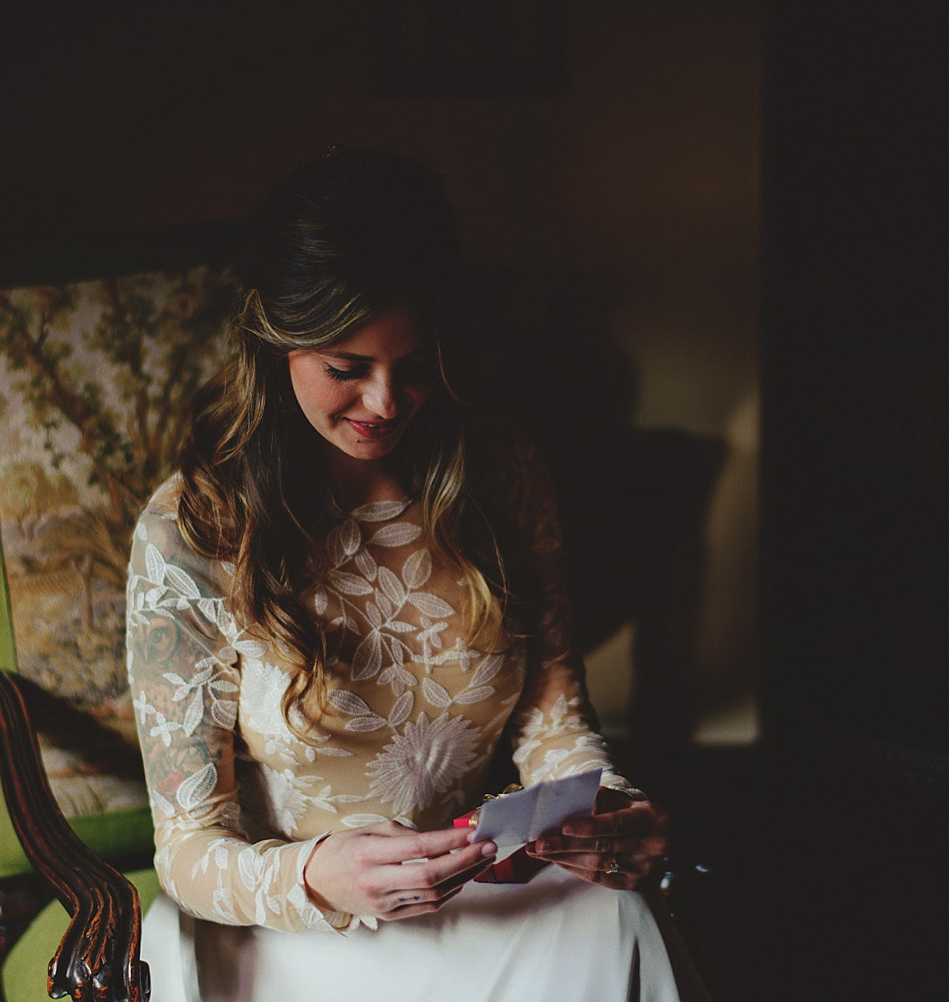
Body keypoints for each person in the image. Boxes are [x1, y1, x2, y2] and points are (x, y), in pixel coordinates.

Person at [126, 148, 710, 1001]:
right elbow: (185, 848)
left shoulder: (502, 471)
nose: (388, 404)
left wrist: (604, 811)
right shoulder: (192, 531)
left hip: (478, 901)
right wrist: (320, 877)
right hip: (283, 924)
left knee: (617, 920)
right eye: (347, 369)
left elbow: (555, 719)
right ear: (273, 338)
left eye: (416, 363)